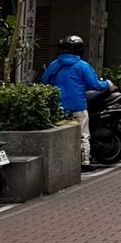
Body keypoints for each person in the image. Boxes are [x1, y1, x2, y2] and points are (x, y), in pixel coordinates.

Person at [39, 35, 110, 168]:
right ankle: (84, 162)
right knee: (83, 135)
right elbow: (95, 85)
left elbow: (44, 81)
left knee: (61, 133)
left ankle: (62, 162)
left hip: (58, 107)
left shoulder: (54, 65)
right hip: (78, 106)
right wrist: (108, 84)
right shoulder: (83, 66)